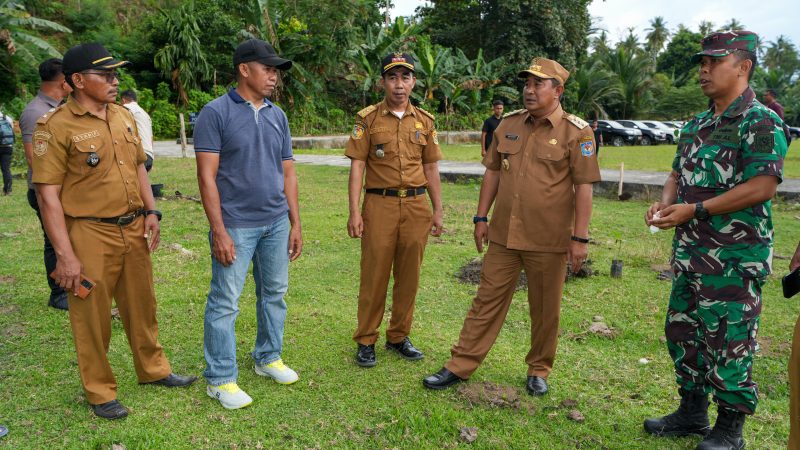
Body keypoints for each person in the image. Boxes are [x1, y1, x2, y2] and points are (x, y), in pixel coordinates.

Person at [30, 43, 197, 420]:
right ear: (76, 81)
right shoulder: (55, 127)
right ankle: (99, 390)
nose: (113, 80)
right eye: (104, 75)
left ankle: (153, 369)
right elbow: (48, 197)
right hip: (89, 232)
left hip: (134, 226)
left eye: (114, 74)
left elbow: (139, 167)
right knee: (92, 316)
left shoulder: (122, 116)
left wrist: (151, 209)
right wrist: (65, 255)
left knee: (143, 304)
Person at [643, 31, 788, 450]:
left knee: (729, 340)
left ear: (742, 67)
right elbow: (676, 175)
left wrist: (698, 210)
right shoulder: (697, 123)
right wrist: (664, 205)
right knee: (683, 333)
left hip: (733, 258)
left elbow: (762, 185)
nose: (704, 70)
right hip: (691, 253)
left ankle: (730, 430)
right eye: (702, 63)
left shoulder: (761, 121)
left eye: (713, 62)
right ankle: (691, 412)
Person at [423, 57, 600, 396]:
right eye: (527, 83)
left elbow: (585, 187)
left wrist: (580, 238)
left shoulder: (577, 132)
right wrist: (480, 217)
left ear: (558, 90)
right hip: (504, 235)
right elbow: (492, 172)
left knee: (546, 308)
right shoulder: (508, 124)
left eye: (538, 84)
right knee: (485, 301)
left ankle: (538, 369)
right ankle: (459, 365)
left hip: (548, 239)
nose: (529, 90)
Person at [194, 39, 303, 410]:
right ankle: (221, 378)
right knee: (225, 301)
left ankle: (267, 357)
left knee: (274, 294)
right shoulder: (215, 112)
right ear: (244, 69)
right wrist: (219, 229)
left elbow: (287, 171)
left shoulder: (277, 114)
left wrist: (295, 222)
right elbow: (206, 177)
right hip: (236, 224)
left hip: (275, 222)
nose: (273, 76)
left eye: (276, 71)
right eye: (267, 68)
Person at [345, 52, 444, 368]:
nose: (399, 85)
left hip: (417, 206)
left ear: (414, 81)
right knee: (374, 273)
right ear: (382, 82)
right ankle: (366, 339)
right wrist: (354, 211)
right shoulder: (368, 119)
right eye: (392, 77)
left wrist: (438, 209)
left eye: (405, 77)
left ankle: (399, 336)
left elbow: (431, 168)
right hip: (380, 204)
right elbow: (358, 167)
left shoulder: (425, 121)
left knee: (409, 275)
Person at [19, 58, 72, 310]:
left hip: (63, 189)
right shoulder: (35, 111)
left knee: (67, 237)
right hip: (44, 190)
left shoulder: (61, 107)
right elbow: (33, 158)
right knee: (54, 240)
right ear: (64, 81)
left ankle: (72, 287)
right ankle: (58, 294)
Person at [120, 90, 154, 172]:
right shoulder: (145, 113)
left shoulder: (126, 108)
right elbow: (151, 138)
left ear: (123, 100)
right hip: (149, 156)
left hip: (139, 155)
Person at [0, 109, 14, 195]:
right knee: (6, 169)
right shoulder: (7, 118)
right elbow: (11, 129)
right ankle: (7, 190)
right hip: (7, 147)